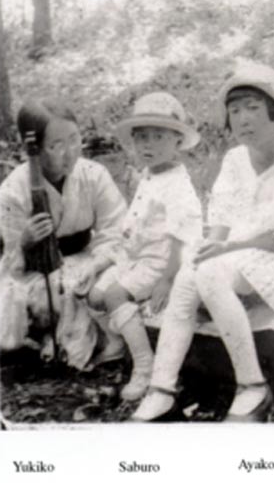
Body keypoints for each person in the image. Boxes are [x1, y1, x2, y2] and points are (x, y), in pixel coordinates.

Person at [132, 59, 274, 423]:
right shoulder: (235, 159)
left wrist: (224, 251)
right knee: (193, 273)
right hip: (237, 258)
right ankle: (162, 390)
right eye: (234, 111)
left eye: (253, 108)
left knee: (208, 273)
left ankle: (252, 386)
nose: (243, 119)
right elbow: (220, 221)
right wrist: (211, 248)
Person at [76, 92, 203, 402]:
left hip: (161, 261)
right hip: (135, 256)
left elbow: (180, 235)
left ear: (177, 142)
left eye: (158, 137)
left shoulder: (177, 184)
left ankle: (145, 367)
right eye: (142, 138)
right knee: (92, 293)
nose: (149, 145)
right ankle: (119, 343)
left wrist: (167, 279)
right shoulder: (149, 175)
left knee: (115, 294)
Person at [0, 98, 127, 370]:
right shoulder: (14, 190)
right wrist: (25, 241)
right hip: (36, 272)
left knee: (100, 283)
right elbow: (11, 261)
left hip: (87, 258)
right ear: (32, 149)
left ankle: (74, 344)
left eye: (74, 139)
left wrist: (97, 263)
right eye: (56, 145)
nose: (70, 152)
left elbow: (115, 230)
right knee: (54, 293)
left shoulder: (94, 174)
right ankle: (51, 346)